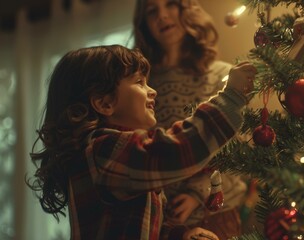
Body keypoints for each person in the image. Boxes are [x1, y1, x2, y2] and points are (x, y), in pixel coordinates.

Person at [25, 45, 256, 240]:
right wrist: (231, 98)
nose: (152, 90)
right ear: (105, 103)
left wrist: (181, 235)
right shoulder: (103, 152)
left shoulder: (117, 157)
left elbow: (144, 227)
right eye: (140, 82)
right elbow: (174, 151)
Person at [133, 0, 248, 238]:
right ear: (144, 24)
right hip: (160, 221)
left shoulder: (223, 76)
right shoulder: (139, 86)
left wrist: (199, 193)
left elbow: (242, 154)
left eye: (171, 5)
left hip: (216, 216)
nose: (162, 16)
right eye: (152, 11)